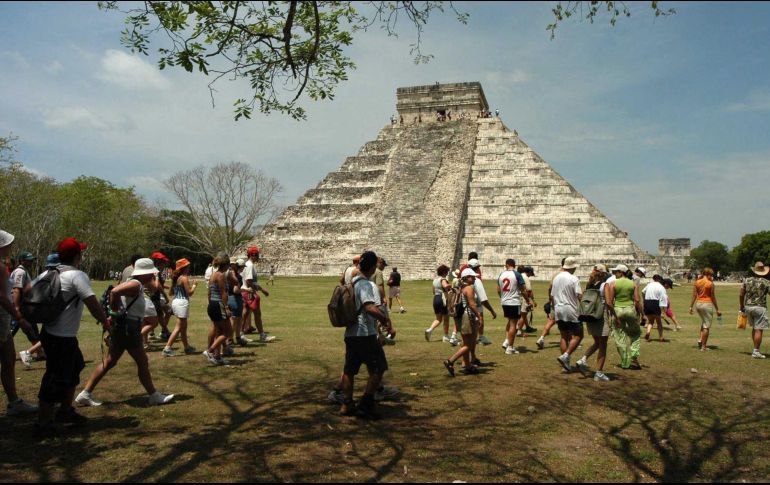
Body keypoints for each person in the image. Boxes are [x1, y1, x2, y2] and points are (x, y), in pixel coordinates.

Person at [36, 238, 113, 432]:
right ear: (78, 256)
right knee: (54, 377)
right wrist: (105, 322)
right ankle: (44, 422)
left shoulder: (47, 273)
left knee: (75, 366)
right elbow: (92, 303)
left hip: (50, 332)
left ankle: (65, 410)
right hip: (62, 337)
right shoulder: (77, 275)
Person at [76, 258, 175, 407]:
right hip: (129, 328)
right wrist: (113, 312)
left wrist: (114, 315)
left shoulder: (134, 283)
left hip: (125, 327)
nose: (152, 276)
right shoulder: (136, 284)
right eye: (150, 273)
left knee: (110, 361)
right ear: (144, 273)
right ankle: (154, 395)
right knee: (142, 361)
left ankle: (85, 393)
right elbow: (114, 292)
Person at [339, 251, 393, 419]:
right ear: (372, 267)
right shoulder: (365, 284)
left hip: (351, 333)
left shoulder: (352, 282)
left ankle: (347, 404)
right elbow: (369, 307)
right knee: (379, 368)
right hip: (364, 333)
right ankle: (366, 404)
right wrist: (384, 319)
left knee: (349, 370)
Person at [0, 231, 38, 417]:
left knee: (9, 358)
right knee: (8, 359)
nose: (11, 247)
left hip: (4, 319)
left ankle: (14, 402)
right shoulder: (0, 268)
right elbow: (3, 296)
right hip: (1, 318)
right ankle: (14, 402)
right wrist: (19, 317)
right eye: (8, 244)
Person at [443, 269, 483, 376]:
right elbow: (472, 304)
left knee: (465, 342)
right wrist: (479, 316)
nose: (475, 278)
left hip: (460, 316)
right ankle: (450, 361)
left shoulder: (460, 286)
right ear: (467, 277)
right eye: (472, 277)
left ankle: (467, 366)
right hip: (467, 317)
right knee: (469, 344)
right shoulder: (469, 288)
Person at [575, 264, 611, 381]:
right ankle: (599, 373)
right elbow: (609, 303)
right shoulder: (605, 285)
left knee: (597, 342)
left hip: (590, 315)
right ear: (603, 273)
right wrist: (616, 316)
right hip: (601, 316)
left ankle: (583, 359)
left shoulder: (589, 284)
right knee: (603, 345)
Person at [10, 251, 45, 367]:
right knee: (10, 331)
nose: (31, 262)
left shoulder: (24, 271)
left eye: (31, 260)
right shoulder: (20, 272)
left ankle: (40, 352)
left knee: (32, 329)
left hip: (25, 307)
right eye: (28, 260)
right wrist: (16, 307)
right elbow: (16, 290)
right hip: (19, 307)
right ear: (22, 261)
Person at [606, 264, 643, 370]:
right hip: (630, 310)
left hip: (618, 310)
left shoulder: (613, 284)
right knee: (635, 333)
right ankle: (634, 355)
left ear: (621, 272)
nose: (614, 274)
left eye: (616, 272)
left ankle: (625, 361)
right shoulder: (633, 283)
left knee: (619, 337)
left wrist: (613, 315)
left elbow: (610, 302)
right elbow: (637, 300)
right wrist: (641, 313)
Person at [551, 257, 583, 372]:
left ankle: (566, 366)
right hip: (570, 309)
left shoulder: (556, 278)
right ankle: (566, 355)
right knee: (579, 335)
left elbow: (552, 295)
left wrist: (553, 309)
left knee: (564, 336)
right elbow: (579, 295)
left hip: (558, 308)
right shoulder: (573, 278)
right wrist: (584, 308)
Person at [162, 258, 198, 357]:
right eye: (188, 266)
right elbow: (189, 293)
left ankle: (187, 347)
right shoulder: (184, 278)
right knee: (178, 327)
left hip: (176, 302)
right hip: (182, 303)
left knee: (183, 327)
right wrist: (194, 285)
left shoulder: (177, 278)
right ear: (184, 268)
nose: (189, 268)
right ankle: (167, 348)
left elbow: (170, 293)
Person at [203, 253, 233, 365]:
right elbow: (223, 293)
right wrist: (226, 307)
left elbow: (209, 292)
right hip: (219, 304)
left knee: (218, 331)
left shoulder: (213, 275)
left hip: (212, 304)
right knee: (228, 332)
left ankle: (217, 356)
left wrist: (211, 303)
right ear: (226, 264)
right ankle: (210, 351)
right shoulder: (220, 276)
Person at [241, 246, 275, 343]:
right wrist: (259, 290)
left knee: (245, 313)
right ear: (253, 255)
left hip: (245, 292)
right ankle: (262, 335)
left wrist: (261, 289)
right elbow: (249, 281)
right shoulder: (250, 266)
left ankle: (240, 334)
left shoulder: (248, 264)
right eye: (257, 254)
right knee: (257, 313)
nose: (258, 256)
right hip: (249, 292)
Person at [740, 262, 770, 359]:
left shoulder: (747, 280)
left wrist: (741, 306)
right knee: (759, 329)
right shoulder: (766, 282)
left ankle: (755, 349)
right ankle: (756, 351)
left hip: (748, 307)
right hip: (760, 307)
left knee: (754, 328)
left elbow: (741, 294)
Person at [498, 259, 527, 355]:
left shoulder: (501, 274)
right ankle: (510, 347)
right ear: (514, 265)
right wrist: (528, 300)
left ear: (507, 265)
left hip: (504, 302)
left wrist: (503, 298)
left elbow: (498, 289)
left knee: (510, 321)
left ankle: (507, 341)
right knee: (514, 324)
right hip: (514, 302)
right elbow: (523, 289)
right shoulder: (517, 274)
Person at [537, 258, 566, 350]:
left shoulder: (555, 275)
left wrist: (550, 299)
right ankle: (569, 341)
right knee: (567, 322)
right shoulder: (569, 275)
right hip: (565, 302)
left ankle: (541, 338)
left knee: (550, 321)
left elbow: (550, 288)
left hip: (555, 301)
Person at [690, 268, 721, 351]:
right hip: (707, 304)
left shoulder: (697, 282)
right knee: (706, 326)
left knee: (704, 322)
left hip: (698, 304)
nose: (712, 277)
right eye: (711, 275)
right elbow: (713, 297)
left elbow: (694, 295)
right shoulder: (710, 283)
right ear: (708, 275)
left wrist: (691, 306)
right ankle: (703, 347)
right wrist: (717, 309)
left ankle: (701, 340)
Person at [424, 265, 452, 343]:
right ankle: (446, 336)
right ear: (444, 272)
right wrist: (452, 285)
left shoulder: (435, 280)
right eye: (447, 272)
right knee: (446, 319)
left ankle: (429, 330)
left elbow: (433, 291)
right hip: (443, 299)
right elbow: (445, 286)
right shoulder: (443, 279)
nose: (447, 273)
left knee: (438, 319)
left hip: (436, 298)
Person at [643, 275, 667, 342]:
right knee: (659, 322)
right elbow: (663, 299)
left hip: (647, 302)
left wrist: (644, 299)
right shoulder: (661, 287)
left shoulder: (649, 285)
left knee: (650, 321)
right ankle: (661, 337)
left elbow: (643, 291)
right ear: (659, 280)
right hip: (655, 303)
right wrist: (663, 311)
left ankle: (648, 332)